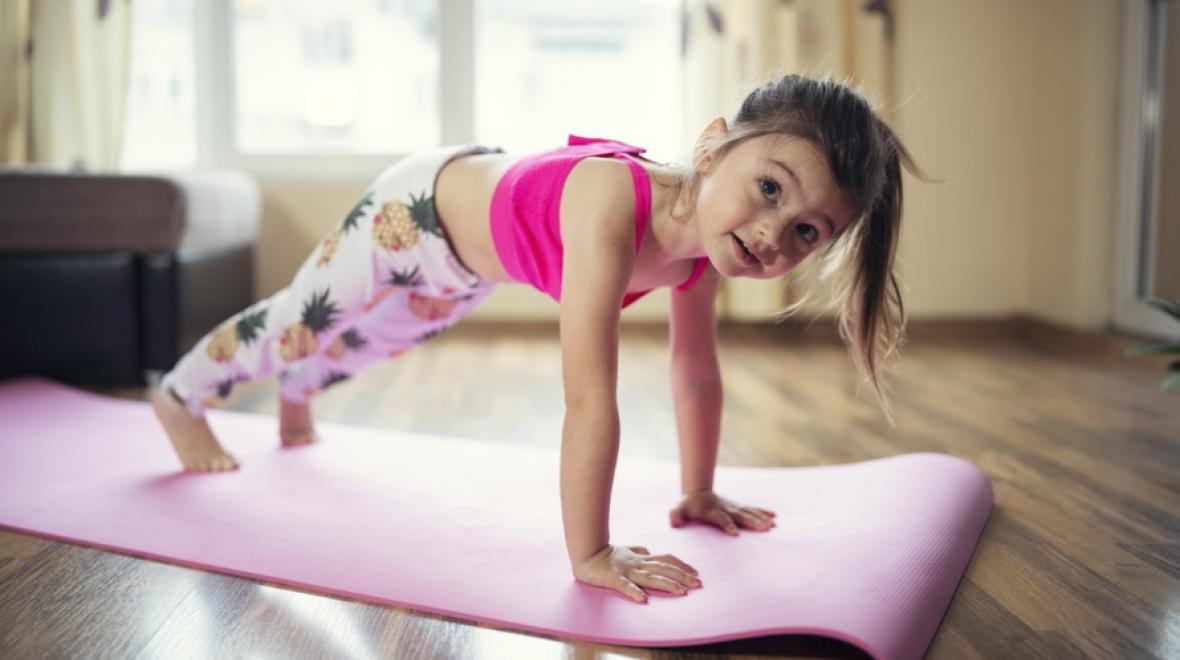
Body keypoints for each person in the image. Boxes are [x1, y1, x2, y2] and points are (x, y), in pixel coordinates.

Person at [151, 74, 919, 604]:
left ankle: (297, 398)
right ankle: (181, 393)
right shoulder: (610, 203)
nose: (770, 232)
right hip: (415, 211)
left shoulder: (706, 255)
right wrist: (590, 553)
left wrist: (696, 491)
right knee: (301, 323)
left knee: (370, 343)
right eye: (770, 188)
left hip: (463, 265)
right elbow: (589, 399)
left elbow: (694, 372)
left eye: (806, 231)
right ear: (713, 148)